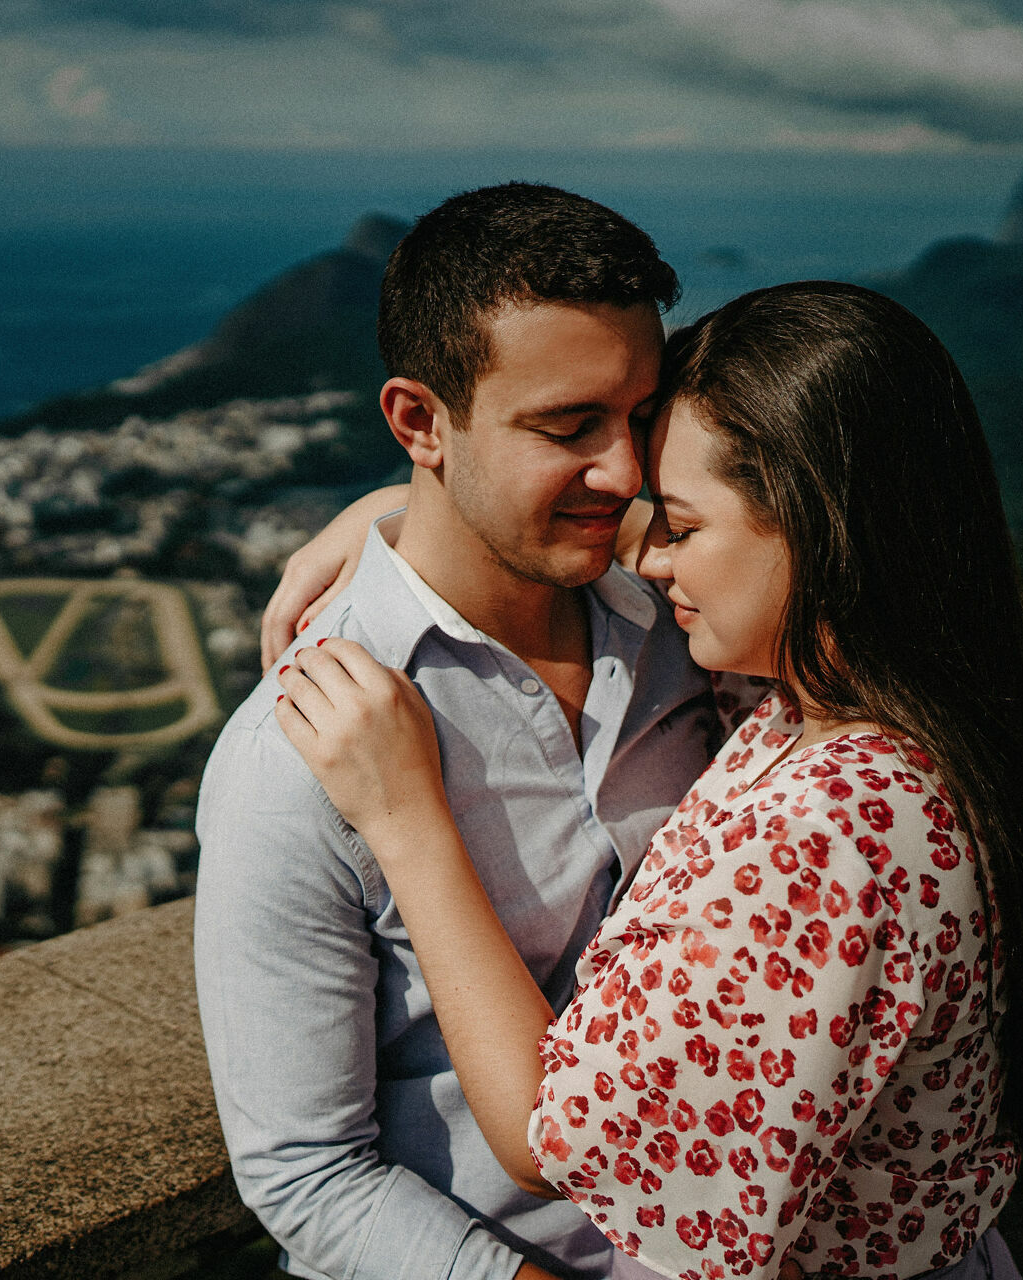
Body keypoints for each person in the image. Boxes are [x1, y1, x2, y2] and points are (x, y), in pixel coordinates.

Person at [270, 281, 1023, 1279]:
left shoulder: (829, 836)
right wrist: (412, 507)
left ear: (818, 525)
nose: (652, 556)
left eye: (683, 525)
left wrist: (408, 818)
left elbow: (546, 1135)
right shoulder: (896, 717)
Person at [194, 182, 738, 1280]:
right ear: (418, 423)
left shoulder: (696, 627)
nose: (627, 472)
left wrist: (386, 511)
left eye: (640, 417)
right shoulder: (304, 747)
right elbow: (306, 1176)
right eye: (568, 427)